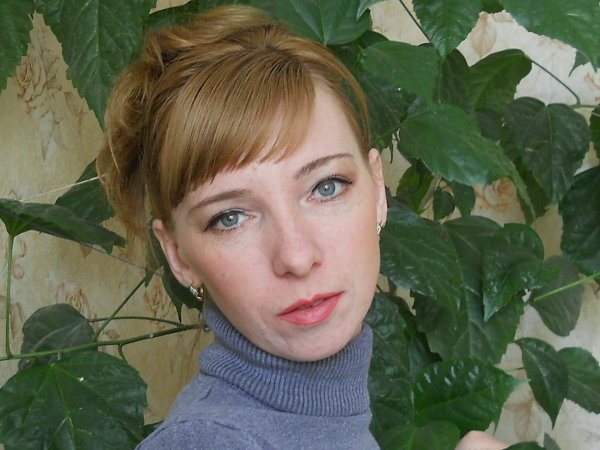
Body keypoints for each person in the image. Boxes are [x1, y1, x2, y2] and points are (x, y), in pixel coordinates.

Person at [98, 4, 506, 449]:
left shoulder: (321, 417)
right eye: (229, 218)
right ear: (179, 256)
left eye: (326, 187)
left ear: (377, 190)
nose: (296, 256)